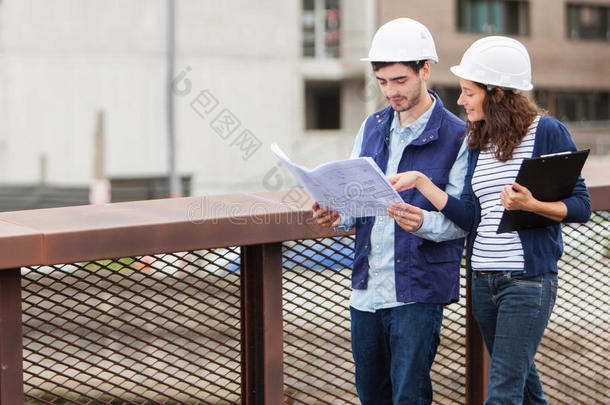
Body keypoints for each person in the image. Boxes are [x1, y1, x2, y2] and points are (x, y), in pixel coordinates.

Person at [389, 36, 591, 405]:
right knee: (522, 384)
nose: (461, 100)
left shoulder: (546, 132)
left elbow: (580, 206)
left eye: (468, 92)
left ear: (496, 93)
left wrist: (533, 204)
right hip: (483, 281)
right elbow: (469, 214)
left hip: (527, 282)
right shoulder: (477, 141)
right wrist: (420, 182)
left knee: (502, 391)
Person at [313, 18, 468, 404]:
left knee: (409, 397)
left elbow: (464, 218)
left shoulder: (458, 135)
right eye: (382, 82)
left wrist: (423, 222)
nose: (390, 91)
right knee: (371, 396)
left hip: (417, 293)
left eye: (399, 80)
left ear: (425, 70)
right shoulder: (371, 126)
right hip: (365, 293)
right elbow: (353, 203)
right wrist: (336, 214)